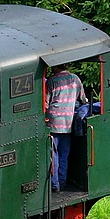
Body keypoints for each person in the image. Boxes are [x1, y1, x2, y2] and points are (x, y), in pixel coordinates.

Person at [45, 64, 86, 192]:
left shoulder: (52, 81)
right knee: (64, 155)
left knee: (54, 155)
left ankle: (54, 184)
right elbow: (83, 99)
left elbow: (45, 103)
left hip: (53, 122)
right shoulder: (75, 79)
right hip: (68, 122)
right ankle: (62, 182)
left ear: (55, 67)